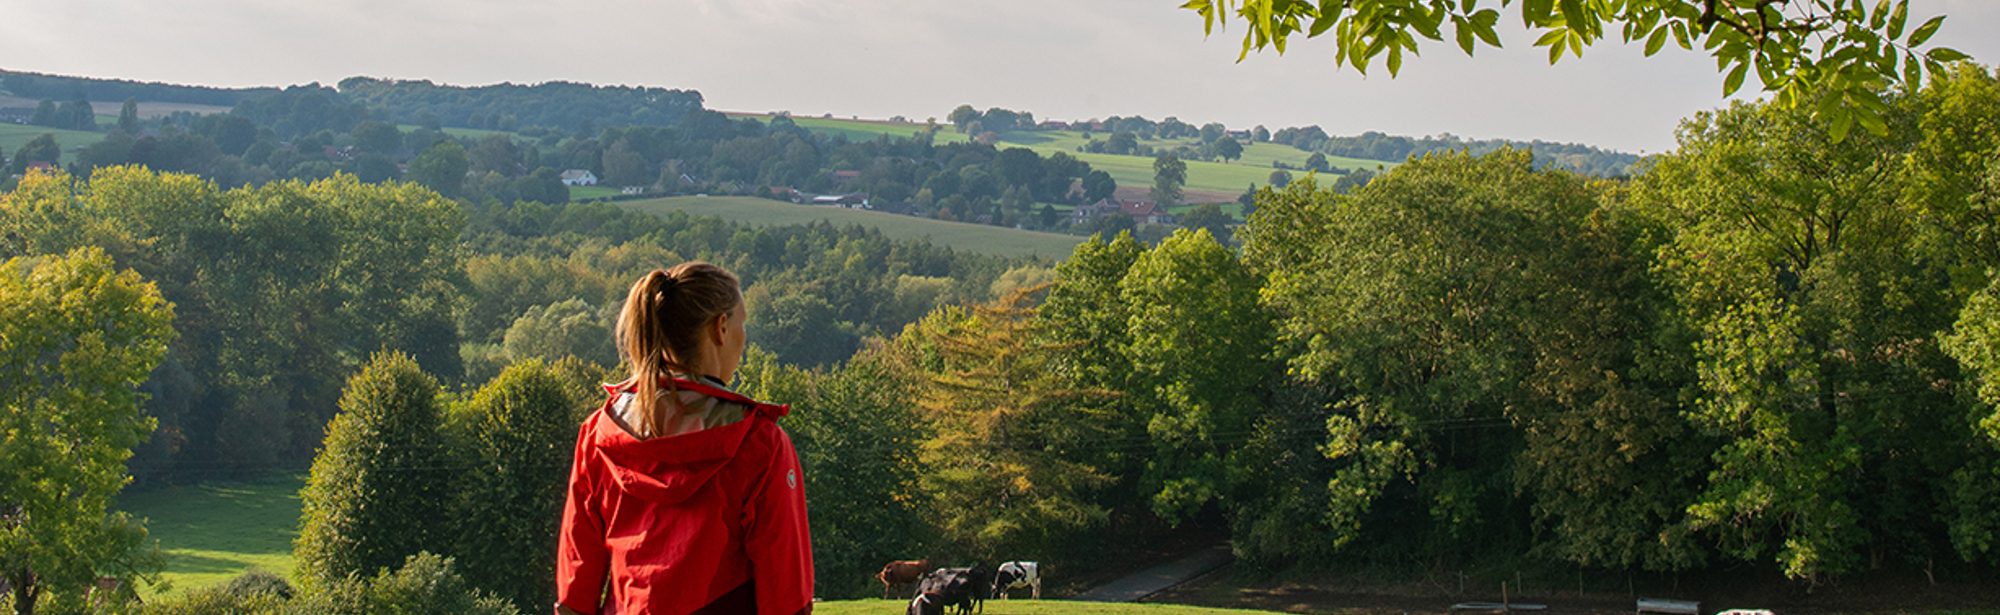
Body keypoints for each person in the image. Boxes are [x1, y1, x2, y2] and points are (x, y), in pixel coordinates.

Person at [556, 263, 814, 615]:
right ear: (720, 328)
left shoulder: (599, 434)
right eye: (742, 324)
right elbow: (785, 594)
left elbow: (576, 583)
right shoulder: (759, 443)